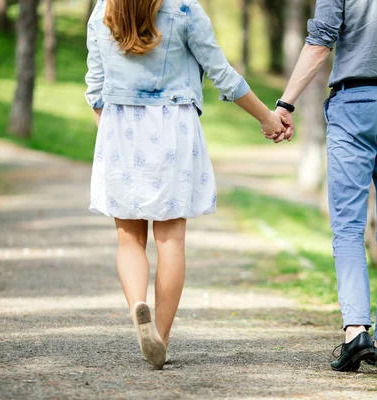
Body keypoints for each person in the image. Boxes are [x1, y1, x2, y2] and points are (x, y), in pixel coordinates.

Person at [84, 0, 289, 370]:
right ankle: (159, 336)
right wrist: (267, 118)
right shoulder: (184, 8)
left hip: (119, 129)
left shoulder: (104, 9)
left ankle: (137, 309)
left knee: (128, 238)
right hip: (171, 129)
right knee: (170, 239)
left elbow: (95, 88)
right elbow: (222, 73)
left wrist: (112, 138)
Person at [269, 0, 377, 371]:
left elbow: (320, 44)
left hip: (354, 103)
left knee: (348, 225)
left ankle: (355, 331)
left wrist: (286, 102)